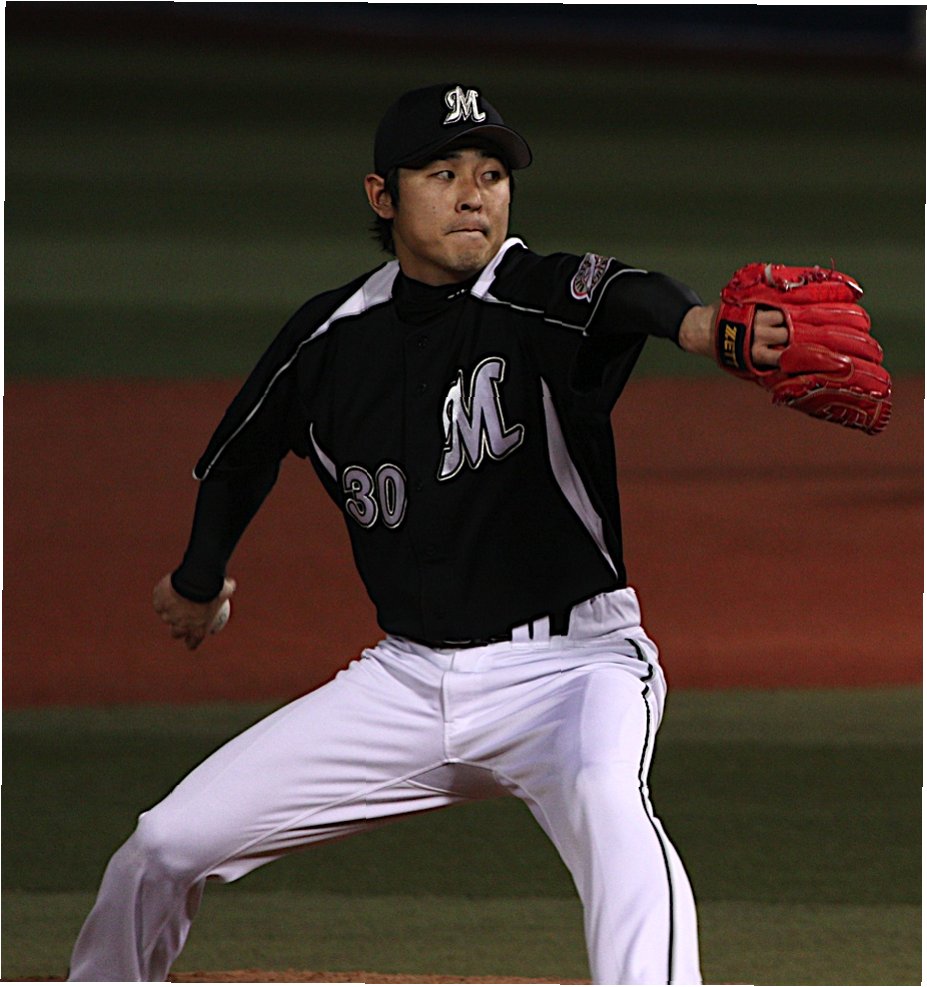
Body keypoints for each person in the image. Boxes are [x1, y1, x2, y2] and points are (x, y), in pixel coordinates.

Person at [67, 82, 799, 985]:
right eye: (443, 173)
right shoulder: (329, 337)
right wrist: (197, 578)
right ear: (383, 196)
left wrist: (705, 329)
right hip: (406, 682)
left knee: (608, 805)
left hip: (571, 672)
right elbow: (240, 457)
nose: (472, 195)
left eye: (491, 174)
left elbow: (628, 297)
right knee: (162, 846)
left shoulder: (533, 291)